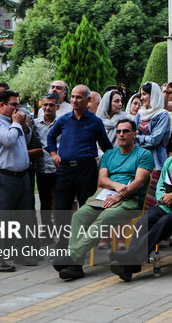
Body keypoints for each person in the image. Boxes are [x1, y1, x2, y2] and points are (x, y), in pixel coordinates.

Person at [108, 120, 172, 281]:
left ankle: (129, 258)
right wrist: (163, 198)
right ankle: (130, 265)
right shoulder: (170, 160)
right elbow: (161, 185)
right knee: (146, 219)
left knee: (166, 221)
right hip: (168, 203)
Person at [52, 118, 153, 280]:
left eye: (126, 131)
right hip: (105, 196)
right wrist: (117, 186)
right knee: (79, 215)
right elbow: (102, 179)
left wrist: (120, 194)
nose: (121, 135)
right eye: (119, 131)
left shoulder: (144, 154)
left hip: (131, 200)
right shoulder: (109, 154)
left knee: (105, 217)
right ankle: (76, 266)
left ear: (134, 134)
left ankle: (72, 256)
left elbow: (139, 181)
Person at [47, 85, 113, 249]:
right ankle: (63, 243)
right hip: (65, 170)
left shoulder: (95, 122)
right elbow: (50, 136)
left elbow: (107, 146)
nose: (75, 100)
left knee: (86, 208)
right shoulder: (63, 119)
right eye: (73, 97)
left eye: (79, 97)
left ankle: (82, 245)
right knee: (62, 208)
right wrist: (53, 154)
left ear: (88, 100)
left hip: (86, 169)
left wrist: (115, 164)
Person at [0, 90, 37, 272]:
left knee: (25, 217)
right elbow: (8, 140)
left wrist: (25, 127)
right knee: (1, 219)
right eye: (14, 104)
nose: (18, 108)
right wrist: (16, 123)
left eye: (18, 104)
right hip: (2, 177)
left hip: (21, 176)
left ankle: (21, 253)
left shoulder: (12, 122)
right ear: (1, 105)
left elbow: (25, 140)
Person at [133, 82, 171, 208]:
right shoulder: (140, 114)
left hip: (155, 162)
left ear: (153, 95)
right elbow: (131, 134)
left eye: (145, 94)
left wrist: (138, 137)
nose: (142, 97)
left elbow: (155, 139)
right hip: (137, 158)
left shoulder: (163, 114)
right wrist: (142, 138)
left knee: (151, 198)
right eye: (141, 94)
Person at [34, 93, 59, 233]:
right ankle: (47, 233)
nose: (48, 108)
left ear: (57, 106)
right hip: (42, 169)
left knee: (61, 203)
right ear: (41, 105)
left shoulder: (62, 123)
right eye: (45, 105)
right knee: (45, 203)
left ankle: (62, 232)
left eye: (51, 105)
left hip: (59, 169)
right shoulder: (35, 124)